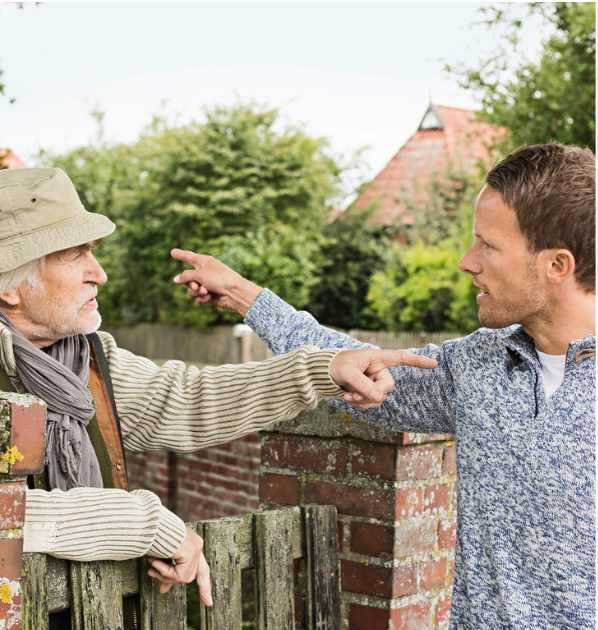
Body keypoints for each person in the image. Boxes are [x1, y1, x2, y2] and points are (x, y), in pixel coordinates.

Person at [174, 143, 596, 628]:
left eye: (488, 246)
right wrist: (244, 295)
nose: (466, 261)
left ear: (557, 265)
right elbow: (361, 364)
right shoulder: (479, 365)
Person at [0, 167, 433, 605]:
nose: (99, 273)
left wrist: (323, 370)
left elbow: (186, 399)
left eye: (92, 251)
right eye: (73, 255)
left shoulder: (84, 360)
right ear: (11, 287)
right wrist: (146, 525)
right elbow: (9, 516)